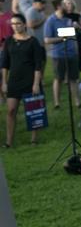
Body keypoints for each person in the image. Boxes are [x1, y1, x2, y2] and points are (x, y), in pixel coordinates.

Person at [1, 13, 44, 148]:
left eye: (18, 23)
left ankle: (34, 139)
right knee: (11, 110)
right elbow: (5, 63)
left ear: (24, 24)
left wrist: (36, 83)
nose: (15, 26)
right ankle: (9, 142)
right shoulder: (8, 41)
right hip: (14, 81)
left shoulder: (33, 41)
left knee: (32, 111)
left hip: (30, 80)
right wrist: (4, 82)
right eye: (13, 24)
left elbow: (38, 64)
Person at [44, 0, 79, 109]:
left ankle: (77, 101)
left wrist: (75, 29)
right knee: (58, 78)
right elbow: (47, 40)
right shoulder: (51, 20)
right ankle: (57, 102)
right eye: (65, 4)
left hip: (72, 53)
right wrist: (63, 37)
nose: (68, 6)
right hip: (58, 54)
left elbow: (72, 34)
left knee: (73, 78)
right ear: (59, 6)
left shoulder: (68, 19)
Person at [63, 0, 81, 72]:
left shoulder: (77, 16)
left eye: (69, 3)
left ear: (73, 5)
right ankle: (67, 76)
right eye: (66, 4)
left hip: (77, 39)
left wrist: (78, 26)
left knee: (79, 57)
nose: (68, 5)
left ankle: (78, 75)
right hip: (67, 40)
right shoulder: (62, 16)